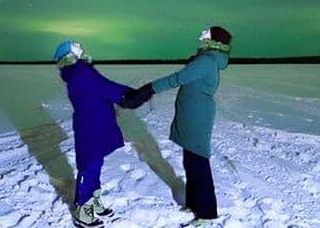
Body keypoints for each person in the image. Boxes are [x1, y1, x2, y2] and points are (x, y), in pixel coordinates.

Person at [121, 26, 232, 227]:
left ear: (213, 41)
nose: (201, 36)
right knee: (190, 162)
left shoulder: (206, 61)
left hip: (197, 117)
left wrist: (148, 90)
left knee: (198, 163)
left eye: (205, 34)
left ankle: (207, 214)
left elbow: (177, 79)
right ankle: (194, 202)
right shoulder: (206, 59)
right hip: (192, 115)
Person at [54, 39, 131, 228]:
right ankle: (83, 209)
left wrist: (128, 94)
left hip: (95, 122)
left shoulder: (80, 69)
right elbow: (105, 87)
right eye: (75, 45)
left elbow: (102, 86)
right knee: (89, 165)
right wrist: (130, 95)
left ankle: (93, 200)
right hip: (90, 125)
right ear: (69, 53)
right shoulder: (79, 71)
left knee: (96, 163)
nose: (79, 45)